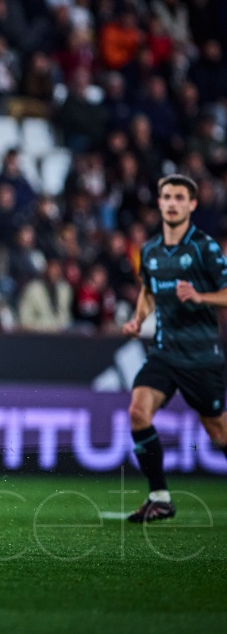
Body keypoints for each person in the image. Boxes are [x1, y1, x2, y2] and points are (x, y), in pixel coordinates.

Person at [121, 175, 227, 523]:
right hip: (164, 352)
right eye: (166, 196)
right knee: (138, 411)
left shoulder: (204, 248)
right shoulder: (150, 250)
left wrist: (200, 297)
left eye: (180, 197)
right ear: (159, 202)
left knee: (218, 431)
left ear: (192, 204)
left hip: (201, 357)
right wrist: (138, 319)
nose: (172, 203)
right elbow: (149, 291)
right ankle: (160, 497)